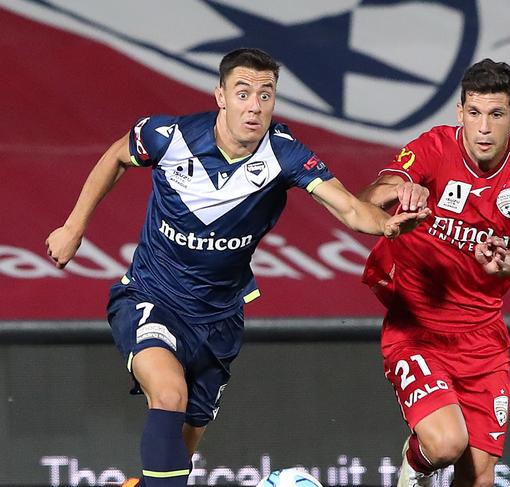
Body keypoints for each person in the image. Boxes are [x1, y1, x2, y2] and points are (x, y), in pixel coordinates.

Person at [45, 47, 430, 487]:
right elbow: (117, 155)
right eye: (243, 93)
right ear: (221, 96)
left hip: (220, 318)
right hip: (152, 298)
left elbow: (349, 208)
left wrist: (388, 225)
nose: (255, 106)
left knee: (183, 446)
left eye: (266, 95)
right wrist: (74, 226)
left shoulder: (284, 155)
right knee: (169, 395)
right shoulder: (170, 136)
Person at [359, 58, 510, 487]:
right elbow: (367, 200)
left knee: (479, 475)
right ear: (460, 113)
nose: (483, 127)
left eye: (496, 114)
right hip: (418, 329)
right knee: (446, 443)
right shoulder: (433, 147)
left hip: (483, 339)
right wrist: (400, 189)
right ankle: (415, 464)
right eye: (474, 113)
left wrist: (502, 257)